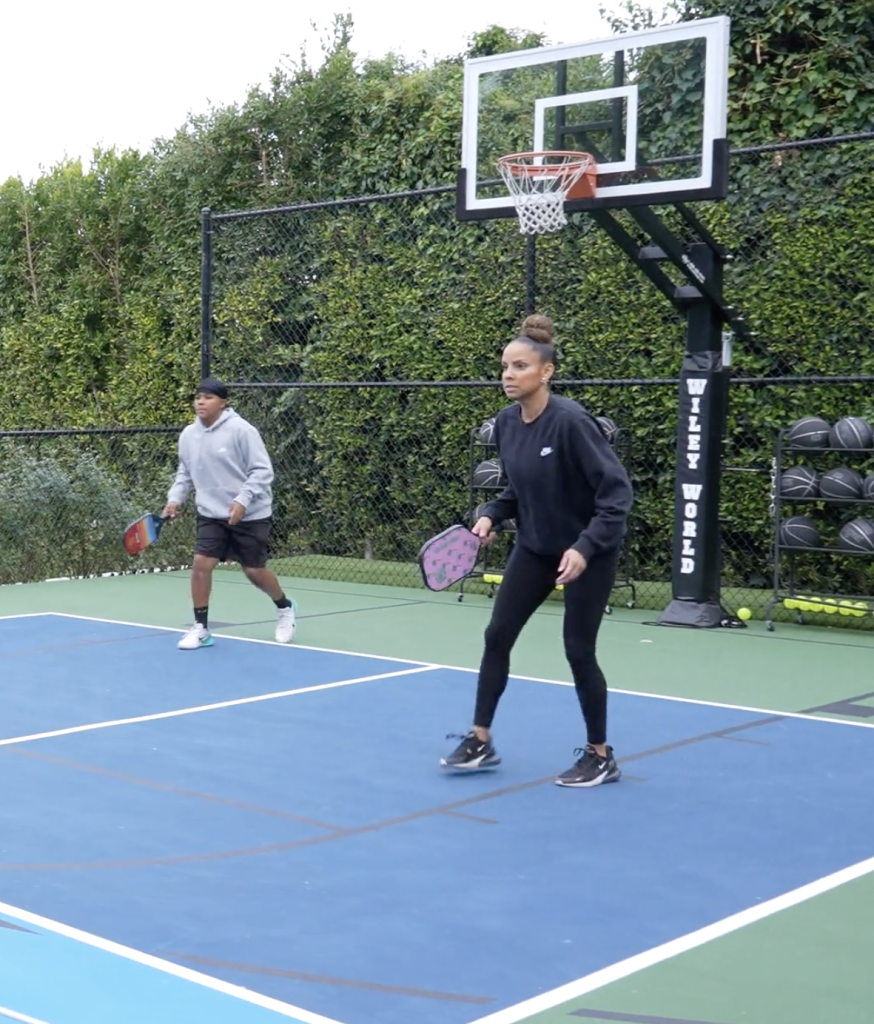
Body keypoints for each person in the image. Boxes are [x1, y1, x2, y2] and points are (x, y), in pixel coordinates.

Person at [441, 315, 633, 787]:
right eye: (505, 366)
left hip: (587, 551)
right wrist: (490, 513)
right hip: (535, 548)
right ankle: (480, 739)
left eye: (520, 366)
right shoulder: (506, 424)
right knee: (497, 636)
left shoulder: (571, 423)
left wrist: (586, 548)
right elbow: (515, 492)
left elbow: (617, 495)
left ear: (545, 372)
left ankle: (601, 754)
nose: (508, 375)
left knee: (578, 650)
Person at [163, 378, 297, 650]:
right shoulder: (188, 435)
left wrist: (242, 501)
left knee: (254, 572)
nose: (200, 402)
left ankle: (284, 607)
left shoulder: (242, 431)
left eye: (208, 397)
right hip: (211, 513)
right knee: (201, 563)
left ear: (223, 403)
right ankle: (201, 628)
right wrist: (174, 499)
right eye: (198, 397)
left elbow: (262, 471)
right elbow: (185, 472)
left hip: (251, 514)